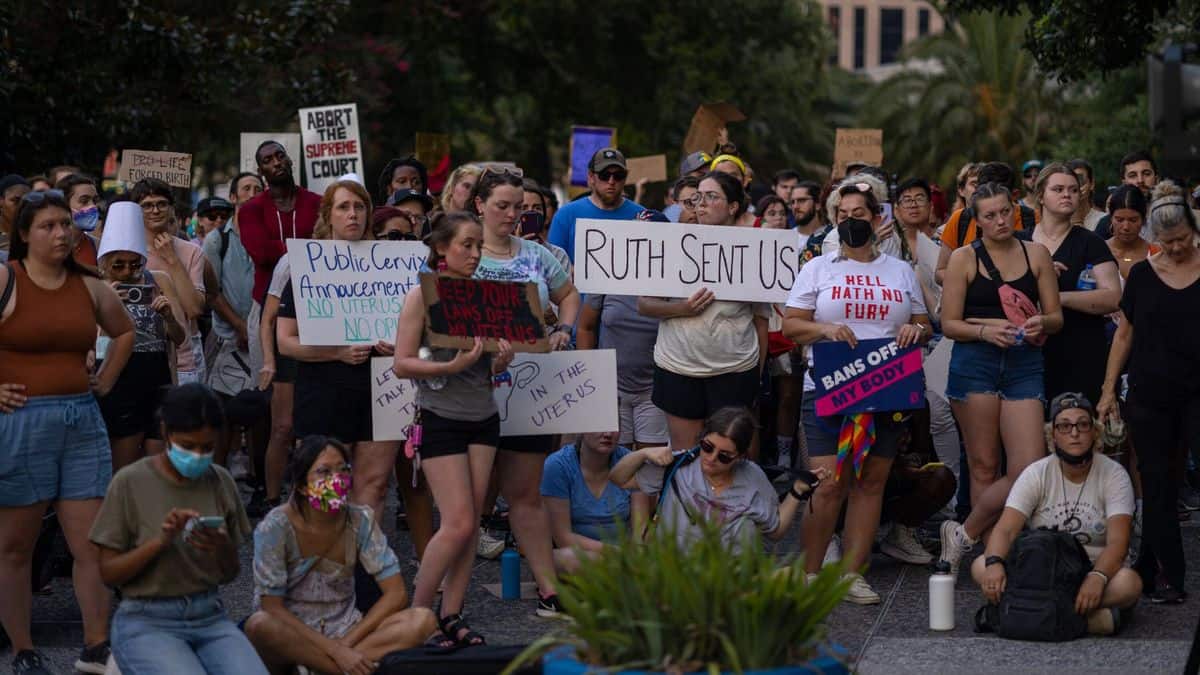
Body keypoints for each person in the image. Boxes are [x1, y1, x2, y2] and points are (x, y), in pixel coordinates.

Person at [0, 190, 134, 675]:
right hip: (20, 425)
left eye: (64, 225)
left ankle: (95, 647)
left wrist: (108, 378)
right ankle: (22, 648)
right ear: (23, 234)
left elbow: (124, 332)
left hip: (80, 422)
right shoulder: (5, 281)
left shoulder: (91, 286)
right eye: (48, 226)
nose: (61, 233)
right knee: (15, 546)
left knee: (90, 544)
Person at [783, 179, 932, 604]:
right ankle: (810, 573)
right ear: (834, 221)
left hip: (885, 385)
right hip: (828, 385)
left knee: (870, 483)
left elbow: (924, 326)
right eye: (843, 216)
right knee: (828, 483)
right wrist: (825, 328)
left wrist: (914, 329)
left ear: (877, 218)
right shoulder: (817, 268)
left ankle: (852, 574)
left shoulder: (901, 271)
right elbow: (792, 325)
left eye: (859, 214)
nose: (851, 221)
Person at [392, 211, 514, 644]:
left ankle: (452, 613)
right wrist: (454, 363)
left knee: (472, 519)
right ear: (442, 248)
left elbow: (492, 367)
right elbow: (402, 364)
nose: (476, 253)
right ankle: (418, 615)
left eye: (479, 245)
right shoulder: (421, 297)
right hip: (441, 416)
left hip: (483, 417)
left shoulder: (485, 296)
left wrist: (499, 361)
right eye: (467, 244)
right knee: (459, 523)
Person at [89, 383, 266, 674]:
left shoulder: (220, 481)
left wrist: (221, 546)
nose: (197, 455)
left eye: (207, 447)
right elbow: (109, 573)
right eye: (187, 446)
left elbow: (231, 572)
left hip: (209, 615)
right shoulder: (130, 482)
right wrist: (160, 542)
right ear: (166, 432)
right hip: (145, 619)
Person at [937, 181, 1063, 575]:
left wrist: (1044, 321)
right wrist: (984, 331)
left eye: (1005, 211)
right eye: (989, 215)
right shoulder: (963, 258)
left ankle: (962, 535)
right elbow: (949, 323)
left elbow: (1057, 317)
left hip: (1025, 361)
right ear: (976, 221)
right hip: (976, 361)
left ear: (1017, 210)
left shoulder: (1036, 253)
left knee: (1029, 465)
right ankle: (992, 558)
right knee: (984, 465)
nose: (999, 220)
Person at [471, 170, 579, 617]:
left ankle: (548, 590)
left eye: (519, 207)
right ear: (479, 204)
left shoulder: (536, 255)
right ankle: (446, 596)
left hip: (529, 388)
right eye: (503, 206)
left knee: (525, 493)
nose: (513, 215)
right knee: (470, 501)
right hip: (470, 389)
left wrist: (564, 329)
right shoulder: (460, 252)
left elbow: (569, 294)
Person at [244, 436, 436, 673]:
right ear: (302, 486)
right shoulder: (275, 527)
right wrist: (336, 653)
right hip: (294, 636)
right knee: (259, 625)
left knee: (422, 621)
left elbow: (396, 594)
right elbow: (272, 607)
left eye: (343, 470)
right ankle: (338, 669)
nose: (336, 480)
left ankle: (321, 669)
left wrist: (344, 646)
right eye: (324, 472)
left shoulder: (360, 519)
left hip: (347, 630)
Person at [1099, 179, 1200, 604]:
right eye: (1166, 241)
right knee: (1156, 482)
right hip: (1150, 392)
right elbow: (1124, 335)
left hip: (1198, 392)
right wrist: (1107, 391)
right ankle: (1166, 575)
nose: (1175, 249)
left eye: (1181, 240)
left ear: (1193, 231)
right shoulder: (1142, 274)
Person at [276, 179, 398, 519]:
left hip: (381, 390)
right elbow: (285, 341)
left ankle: (365, 568)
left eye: (360, 207)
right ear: (328, 215)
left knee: (373, 486)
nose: (353, 215)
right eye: (343, 207)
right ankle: (323, 565)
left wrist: (397, 345)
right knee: (326, 488)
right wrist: (336, 353)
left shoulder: (391, 267)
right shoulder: (307, 269)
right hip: (323, 389)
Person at [973, 393, 1140, 634]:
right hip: (1041, 571)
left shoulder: (1114, 475)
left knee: (1129, 583)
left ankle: (1019, 614)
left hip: (1091, 569)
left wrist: (1098, 577)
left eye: (1083, 425)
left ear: (1094, 432)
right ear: (1053, 435)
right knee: (981, 565)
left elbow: (1118, 543)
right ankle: (1084, 620)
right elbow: (1006, 529)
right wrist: (995, 563)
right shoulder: (1036, 473)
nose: (1074, 433)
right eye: (1064, 426)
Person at [640, 171, 769, 453]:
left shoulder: (754, 250)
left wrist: (755, 378)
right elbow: (645, 305)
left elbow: (761, 321)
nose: (701, 204)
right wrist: (681, 308)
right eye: (698, 197)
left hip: (735, 372)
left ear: (733, 206)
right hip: (678, 367)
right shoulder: (671, 245)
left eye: (712, 197)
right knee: (685, 459)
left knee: (733, 458)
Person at [610, 407, 826, 552]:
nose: (711, 459)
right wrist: (643, 453)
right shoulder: (679, 464)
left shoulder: (753, 478)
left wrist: (797, 492)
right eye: (707, 447)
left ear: (740, 456)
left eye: (724, 456)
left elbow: (776, 531)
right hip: (675, 576)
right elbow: (618, 478)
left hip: (730, 581)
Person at [97, 202, 187, 469]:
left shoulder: (159, 280)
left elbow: (180, 338)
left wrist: (168, 316)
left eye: (134, 265)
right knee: (124, 466)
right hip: (118, 380)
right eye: (118, 265)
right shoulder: (95, 289)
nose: (127, 272)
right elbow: (94, 345)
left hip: (157, 379)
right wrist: (109, 305)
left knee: (157, 463)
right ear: (104, 265)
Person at [1030, 164, 1121, 404]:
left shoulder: (1091, 243)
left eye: (1072, 189)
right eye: (1058, 189)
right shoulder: (1020, 242)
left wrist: (1056, 297)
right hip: (1028, 358)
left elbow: (1113, 297)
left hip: (1082, 353)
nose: (1066, 195)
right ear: (1040, 195)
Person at [132, 178, 208, 384]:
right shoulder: (127, 254)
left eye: (161, 204)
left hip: (184, 360)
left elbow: (193, 309)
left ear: (171, 209)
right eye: (147, 205)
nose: (155, 210)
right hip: (137, 356)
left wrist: (172, 260)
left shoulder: (192, 252)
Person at [541, 430, 648, 572]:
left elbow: (640, 528)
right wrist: (617, 553)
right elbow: (563, 538)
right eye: (600, 425)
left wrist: (637, 552)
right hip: (580, 553)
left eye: (614, 426)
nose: (608, 433)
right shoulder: (557, 465)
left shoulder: (630, 461)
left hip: (625, 552)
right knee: (568, 558)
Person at [547, 148, 644, 263]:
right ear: (591, 177)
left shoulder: (642, 216)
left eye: (618, 175)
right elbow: (552, 265)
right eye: (604, 175)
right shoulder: (565, 216)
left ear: (625, 177)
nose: (611, 181)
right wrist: (570, 271)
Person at [1095, 151, 1160, 240]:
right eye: (1133, 175)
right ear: (1124, 182)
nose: (1140, 180)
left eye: (1146, 174)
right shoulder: (1107, 224)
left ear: (1157, 179)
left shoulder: (1169, 217)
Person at [521, 178, 572, 274]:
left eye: (537, 208)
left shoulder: (558, 255)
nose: (531, 212)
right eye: (524, 207)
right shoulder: (498, 252)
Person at [1104, 185, 1154, 280]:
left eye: (1133, 220)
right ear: (1111, 218)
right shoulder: (1097, 251)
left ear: (1143, 220)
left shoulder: (1156, 254)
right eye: (1119, 220)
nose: (1126, 227)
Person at [55, 173, 101, 267]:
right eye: (84, 201)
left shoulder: (99, 247)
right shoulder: (46, 245)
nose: (93, 206)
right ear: (64, 205)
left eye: (95, 201)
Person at [1066, 159, 1107, 231]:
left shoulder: (1103, 220)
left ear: (1092, 184)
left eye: (1081, 181)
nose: (1076, 187)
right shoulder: (1057, 220)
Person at [0, 174, 31, 261]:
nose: (22, 207)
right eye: (16, 201)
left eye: (26, 202)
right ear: (1, 201)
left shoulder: (34, 233)